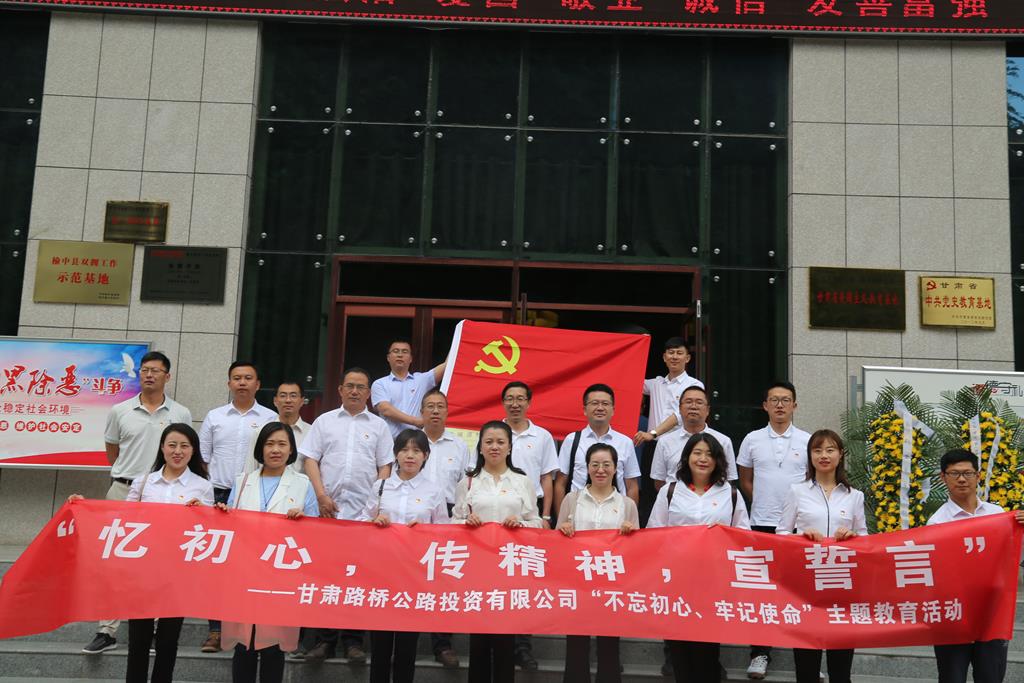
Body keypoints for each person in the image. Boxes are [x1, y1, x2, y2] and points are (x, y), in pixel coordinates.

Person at [69, 423, 213, 683]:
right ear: (162, 448)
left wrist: (203, 512)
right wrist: (84, 506)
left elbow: (210, 530)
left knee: (168, 640)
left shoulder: (202, 486)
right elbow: (123, 519)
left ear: (193, 450)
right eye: (172, 445)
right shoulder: (144, 481)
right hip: (143, 571)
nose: (177, 451)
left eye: (184, 446)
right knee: (139, 639)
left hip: (178, 573)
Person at [82, 351, 192, 656]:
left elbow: (182, 452)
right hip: (123, 490)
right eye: (144, 370)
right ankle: (107, 630)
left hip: (162, 494)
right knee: (114, 561)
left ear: (167, 376)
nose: (149, 375)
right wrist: (130, 477)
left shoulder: (180, 413)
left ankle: (153, 629)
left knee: (159, 562)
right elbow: (112, 450)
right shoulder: (120, 410)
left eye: (156, 370)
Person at [301, 367, 394, 662]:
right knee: (327, 577)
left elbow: (385, 467)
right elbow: (310, 460)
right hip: (329, 513)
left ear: (369, 393)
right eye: (350, 386)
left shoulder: (379, 426)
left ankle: (353, 642)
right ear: (340, 390)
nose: (355, 391)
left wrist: (374, 505)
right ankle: (324, 640)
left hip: (363, 517)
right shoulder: (324, 421)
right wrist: (321, 495)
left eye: (361, 387)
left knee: (359, 579)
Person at [218, 422, 318, 683]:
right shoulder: (243, 482)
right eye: (269, 444)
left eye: (282, 444)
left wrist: (303, 520)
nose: (275, 450)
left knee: (274, 646)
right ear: (260, 448)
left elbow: (316, 533)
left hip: (280, 576)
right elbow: (229, 526)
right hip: (245, 573)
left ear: (291, 449)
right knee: (244, 645)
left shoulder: (303, 484)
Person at [648, 433, 750, 683]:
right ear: (687, 457)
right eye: (697, 453)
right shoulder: (670, 491)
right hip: (676, 581)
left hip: (713, 581)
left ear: (718, 460)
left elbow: (744, 536)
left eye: (709, 454)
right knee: (678, 646)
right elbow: (654, 533)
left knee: (707, 647)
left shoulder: (730, 493)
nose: (703, 459)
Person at [452, 420, 545, 683]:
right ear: (480, 447)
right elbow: (453, 522)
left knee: (506, 639)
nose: (495, 447)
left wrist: (520, 524)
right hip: (477, 569)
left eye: (500, 442)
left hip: (510, 569)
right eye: (489, 442)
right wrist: (466, 523)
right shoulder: (468, 483)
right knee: (479, 641)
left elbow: (537, 523)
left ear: (509, 447)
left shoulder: (522, 481)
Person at [197, 360, 276, 652]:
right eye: (237, 378)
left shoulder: (269, 417)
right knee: (218, 565)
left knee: (252, 564)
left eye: (248, 378)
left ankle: (249, 624)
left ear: (258, 384)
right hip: (219, 495)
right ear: (229, 383)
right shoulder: (215, 416)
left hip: (255, 495)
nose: (242, 382)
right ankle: (216, 630)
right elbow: (203, 458)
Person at [776, 429, 866, 683]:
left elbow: (864, 538)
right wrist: (800, 538)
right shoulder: (797, 491)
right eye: (817, 450)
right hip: (806, 585)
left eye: (830, 450)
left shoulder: (854, 496)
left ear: (841, 455)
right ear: (810, 456)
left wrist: (852, 536)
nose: (824, 456)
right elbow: (781, 533)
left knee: (841, 666)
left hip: (842, 584)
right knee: (806, 662)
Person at [927, 448, 1024, 683]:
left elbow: (1014, 556)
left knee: (991, 677)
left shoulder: (998, 515)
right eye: (954, 473)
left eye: (968, 473)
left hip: (992, 613)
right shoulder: (937, 522)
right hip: (953, 615)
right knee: (952, 677)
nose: (962, 479)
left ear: (978, 476)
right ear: (943, 477)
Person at [360, 429, 449, 683]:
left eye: (416, 451)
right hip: (382, 575)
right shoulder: (381, 486)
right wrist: (374, 522)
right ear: (395, 454)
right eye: (404, 450)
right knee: (380, 646)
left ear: (426, 455)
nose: (410, 456)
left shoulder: (434, 490)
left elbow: (444, 532)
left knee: (407, 647)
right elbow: (362, 524)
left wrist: (425, 532)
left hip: (415, 577)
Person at [735, 381, 810, 680]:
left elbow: (811, 481)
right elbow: (745, 480)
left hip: (798, 525)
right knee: (763, 591)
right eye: (774, 400)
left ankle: (807, 654)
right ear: (765, 405)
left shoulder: (807, 440)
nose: (780, 405)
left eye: (786, 400)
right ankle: (759, 653)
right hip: (761, 523)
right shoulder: (752, 439)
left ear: (795, 405)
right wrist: (762, 504)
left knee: (800, 590)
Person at [556, 443, 638, 683]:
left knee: (609, 644)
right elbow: (557, 540)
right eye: (595, 464)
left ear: (616, 468)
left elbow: (638, 549)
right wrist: (564, 529)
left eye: (606, 465)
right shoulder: (572, 499)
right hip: (577, 581)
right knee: (576, 643)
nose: (600, 470)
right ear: (587, 468)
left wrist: (630, 532)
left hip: (612, 583)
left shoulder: (627, 504)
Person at [501, 380, 559, 670]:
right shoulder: (493, 432)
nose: (515, 403)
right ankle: (499, 640)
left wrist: (546, 516)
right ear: (503, 403)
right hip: (497, 511)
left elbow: (547, 478)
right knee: (499, 579)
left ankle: (523, 646)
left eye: (520, 398)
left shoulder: (543, 436)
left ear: (528, 402)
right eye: (510, 398)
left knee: (525, 579)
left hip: (530, 513)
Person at [418, 389, 470, 669]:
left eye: (440, 406)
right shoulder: (411, 442)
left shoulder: (460, 445)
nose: (435, 411)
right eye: (430, 406)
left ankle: (443, 644)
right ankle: (406, 637)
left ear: (448, 412)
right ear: (422, 412)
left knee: (444, 581)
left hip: (449, 515)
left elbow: (465, 486)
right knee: (411, 578)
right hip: (415, 515)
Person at [554, 384, 641, 515]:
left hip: (615, 514)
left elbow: (632, 485)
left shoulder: (625, 442)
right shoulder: (571, 440)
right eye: (594, 403)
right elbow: (560, 483)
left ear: (613, 410)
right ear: (585, 409)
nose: (600, 408)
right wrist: (562, 518)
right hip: (578, 512)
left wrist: (628, 518)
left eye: (605, 404)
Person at [650, 385, 737, 490]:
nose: (693, 406)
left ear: (708, 410)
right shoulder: (665, 442)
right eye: (688, 402)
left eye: (699, 402)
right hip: (675, 499)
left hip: (713, 499)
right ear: (679, 409)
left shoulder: (723, 441)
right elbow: (659, 482)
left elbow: (729, 479)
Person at [633, 337, 704, 446]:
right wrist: (637, 340)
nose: (674, 357)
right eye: (671, 353)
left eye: (679, 353)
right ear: (664, 357)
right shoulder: (656, 384)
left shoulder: (694, 385)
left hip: (679, 444)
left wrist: (653, 433)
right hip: (653, 444)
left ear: (687, 358)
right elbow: (627, 381)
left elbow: (681, 414)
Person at [371, 339, 447, 438]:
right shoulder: (380, 384)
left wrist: (460, 336)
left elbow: (447, 365)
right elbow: (385, 410)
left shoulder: (421, 380)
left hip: (418, 442)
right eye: (396, 351)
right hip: (390, 442)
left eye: (404, 351)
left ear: (411, 359)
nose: (400, 355)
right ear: (388, 358)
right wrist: (415, 421)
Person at [245, 380, 311, 476]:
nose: (288, 400)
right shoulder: (261, 431)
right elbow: (250, 468)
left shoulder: (311, 433)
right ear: (275, 401)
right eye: (283, 396)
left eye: (293, 396)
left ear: (302, 401)